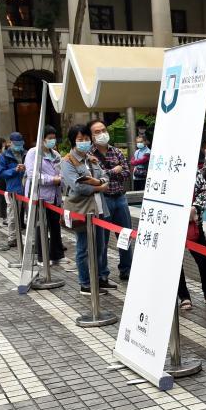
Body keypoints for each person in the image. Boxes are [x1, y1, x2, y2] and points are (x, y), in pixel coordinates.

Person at [61, 124, 114, 295]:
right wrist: (99, 186)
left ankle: (98, 279)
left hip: (99, 208)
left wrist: (97, 182)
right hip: (83, 211)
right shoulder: (67, 161)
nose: (84, 142)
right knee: (83, 248)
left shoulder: (91, 158)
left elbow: (105, 176)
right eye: (80, 139)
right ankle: (85, 283)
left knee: (100, 246)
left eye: (86, 139)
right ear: (73, 141)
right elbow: (78, 187)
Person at [88, 118, 133, 281]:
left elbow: (127, 173)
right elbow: (94, 178)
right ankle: (102, 273)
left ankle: (126, 269)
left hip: (120, 198)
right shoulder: (89, 155)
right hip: (102, 200)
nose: (102, 134)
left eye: (103, 130)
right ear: (91, 136)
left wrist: (107, 174)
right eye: (97, 132)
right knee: (102, 239)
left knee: (125, 235)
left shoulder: (116, 151)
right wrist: (114, 171)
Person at [178, 166, 206, 310]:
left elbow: (204, 190)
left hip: (193, 222)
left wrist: (195, 207)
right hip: (170, 224)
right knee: (175, 262)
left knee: (204, 260)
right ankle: (183, 296)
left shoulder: (191, 168)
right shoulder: (163, 169)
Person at [24, 125, 66, 267]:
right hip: (40, 196)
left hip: (55, 196)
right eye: (49, 138)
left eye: (54, 138)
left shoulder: (56, 154)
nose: (52, 141)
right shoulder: (33, 153)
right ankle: (42, 257)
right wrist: (52, 179)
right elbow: (32, 175)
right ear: (42, 139)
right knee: (41, 226)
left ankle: (57, 255)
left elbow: (61, 172)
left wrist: (61, 179)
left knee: (55, 226)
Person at [0, 131, 27, 246]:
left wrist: (26, 168)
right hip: (13, 189)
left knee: (31, 215)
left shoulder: (26, 153)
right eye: (16, 143)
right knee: (13, 215)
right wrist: (14, 170)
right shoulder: (5, 156)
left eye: (20, 143)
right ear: (11, 143)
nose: (19, 146)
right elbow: (1, 173)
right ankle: (12, 238)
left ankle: (34, 238)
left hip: (27, 188)